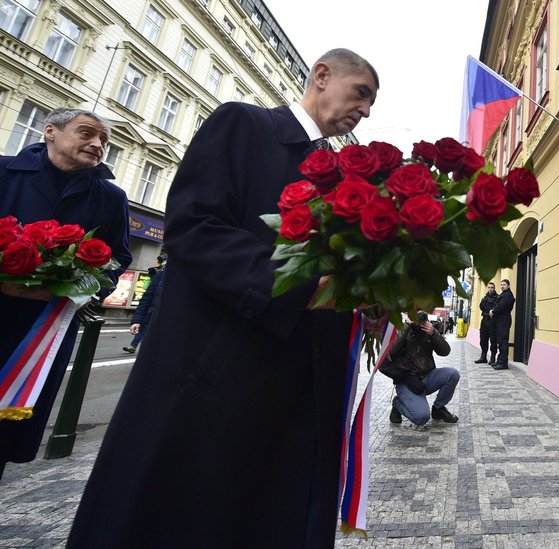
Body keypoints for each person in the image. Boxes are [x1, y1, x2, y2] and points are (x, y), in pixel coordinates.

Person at [68, 49, 379, 548]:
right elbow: (195, 226)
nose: (366, 111)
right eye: (361, 93)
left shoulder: (338, 172)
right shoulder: (244, 125)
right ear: (322, 76)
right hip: (219, 367)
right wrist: (300, 288)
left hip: (297, 379)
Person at [0, 108, 131, 480]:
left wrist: (77, 289)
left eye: (104, 140)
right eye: (87, 133)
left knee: (8, 425)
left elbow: (117, 257)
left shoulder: (109, 196)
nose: (97, 144)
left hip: (42, 328)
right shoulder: (5, 172)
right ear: (50, 132)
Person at [387, 314, 459, 426]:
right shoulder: (402, 328)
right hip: (407, 381)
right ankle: (398, 403)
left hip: (427, 377)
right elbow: (390, 353)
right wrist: (406, 327)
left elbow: (445, 351)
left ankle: (438, 409)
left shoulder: (429, 330)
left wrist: (434, 333)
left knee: (452, 374)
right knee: (421, 417)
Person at [123, 263, 165, 353]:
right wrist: (137, 320)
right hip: (151, 317)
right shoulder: (162, 273)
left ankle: (133, 346)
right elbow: (147, 298)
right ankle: (133, 346)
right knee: (142, 330)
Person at [489, 279, 515, 370]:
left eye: (504, 284)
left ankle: (503, 363)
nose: (502, 286)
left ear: (508, 285)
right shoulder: (503, 294)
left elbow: (501, 306)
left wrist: (493, 311)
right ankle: (499, 361)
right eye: (501, 285)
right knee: (500, 341)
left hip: (504, 320)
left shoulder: (508, 295)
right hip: (499, 320)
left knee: (503, 341)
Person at [474, 282, 498, 363]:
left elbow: (496, 310)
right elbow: (481, 307)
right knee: (483, 339)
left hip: (492, 321)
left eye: (492, 287)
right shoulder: (485, 297)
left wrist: (489, 313)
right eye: (489, 287)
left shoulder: (497, 298)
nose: (490, 289)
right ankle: (483, 357)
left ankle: (492, 358)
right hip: (484, 320)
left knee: (493, 340)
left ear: (494, 288)